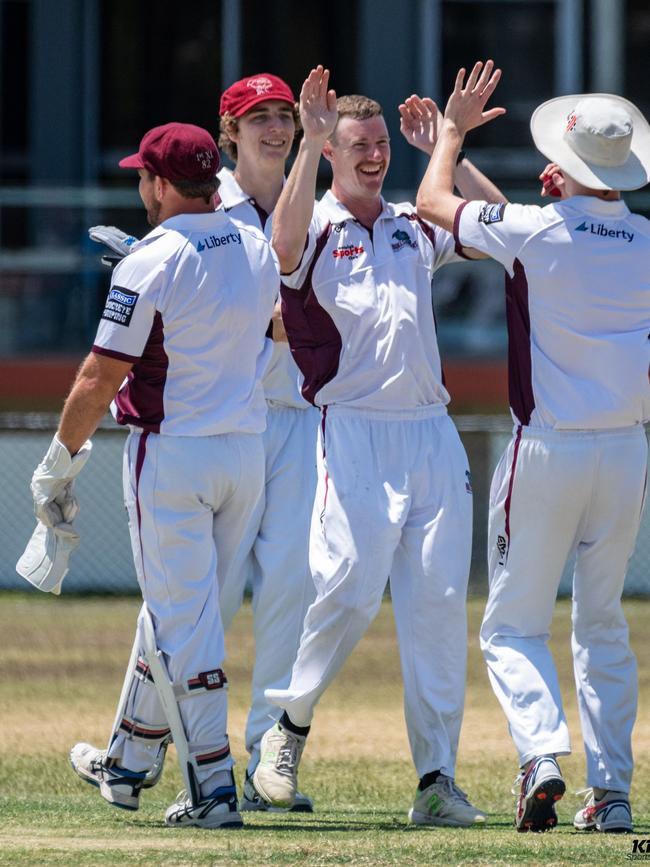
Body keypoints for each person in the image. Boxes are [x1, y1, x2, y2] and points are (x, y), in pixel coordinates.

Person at [251, 65, 506, 827]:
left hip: (431, 433)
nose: (373, 156)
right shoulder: (317, 224)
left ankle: (436, 780)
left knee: (435, 609)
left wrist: (447, 150)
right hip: (353, 428)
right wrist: (309, 141)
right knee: (353, 583)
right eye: (357, 144)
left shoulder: (410, 221)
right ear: (332, 149)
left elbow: (495, 224)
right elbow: (282, 243)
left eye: (381, 146)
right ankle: (285, 729)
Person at [416, 60, 650, 833]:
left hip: (547, 447)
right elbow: (527, 232)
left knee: (513, 625)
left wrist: (449, 135)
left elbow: (432, 205)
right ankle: (611, 791)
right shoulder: (639, 238)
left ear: (565, 166)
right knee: (604, 622)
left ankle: (541, 755)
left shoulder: (540, 228)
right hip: (624, 451)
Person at [31, 121, 278, 828]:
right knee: (182, 613)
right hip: (244, 452)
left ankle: (215, 788)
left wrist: (56, 465)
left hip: (174, 451)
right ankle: (129, 761)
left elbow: (98, 374)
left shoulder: (151, 259)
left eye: (144, 175)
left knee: (183, 624)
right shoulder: (254, 243)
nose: (140, 185)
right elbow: (268, 324)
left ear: (163, 185)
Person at [215, 72, 320, 813]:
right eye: (259, 117)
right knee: (201, 596)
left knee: (291, 589)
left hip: (299, 418)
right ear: (230, 129)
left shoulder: (310, 195)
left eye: (284, 115)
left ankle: (265, 760)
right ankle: (156, 747)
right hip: (226, 418)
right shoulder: (208, 205)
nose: (274, 128)